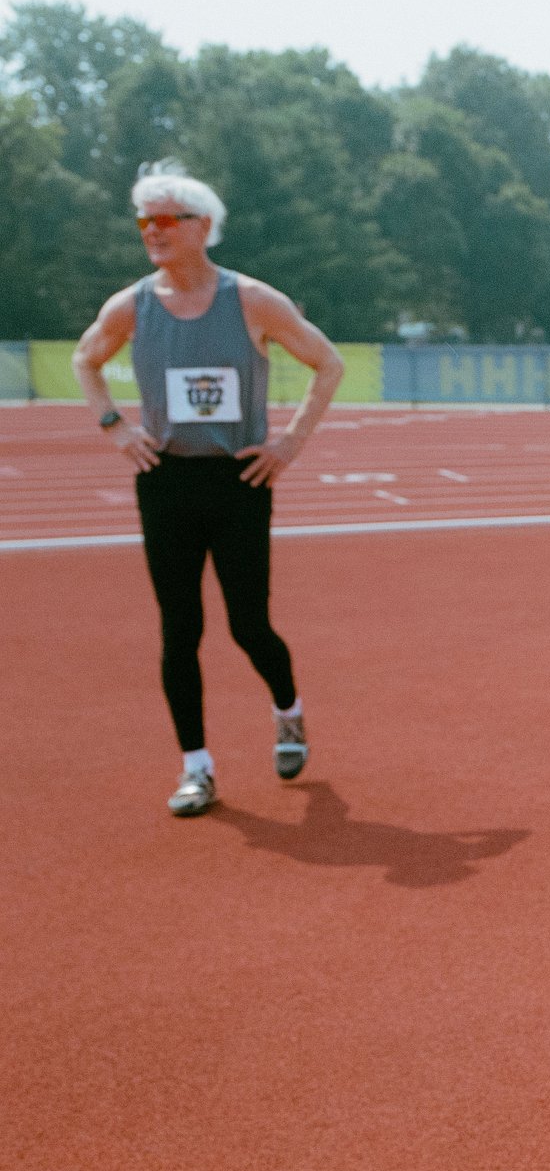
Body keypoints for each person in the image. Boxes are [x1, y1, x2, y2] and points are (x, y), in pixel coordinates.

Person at [72, 161, 346, 816]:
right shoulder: (132, 306)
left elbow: (326, 362)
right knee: (179, 630)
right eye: (144, 221)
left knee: (250, 626)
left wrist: (288, 444)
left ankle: (288, 709)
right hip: (165, 480)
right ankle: (197, 767)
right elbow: (87, 358)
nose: (152, 232)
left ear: (203, 226)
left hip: (238, 480)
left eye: (166, 219)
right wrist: (115, 426)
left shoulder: (252, 300)